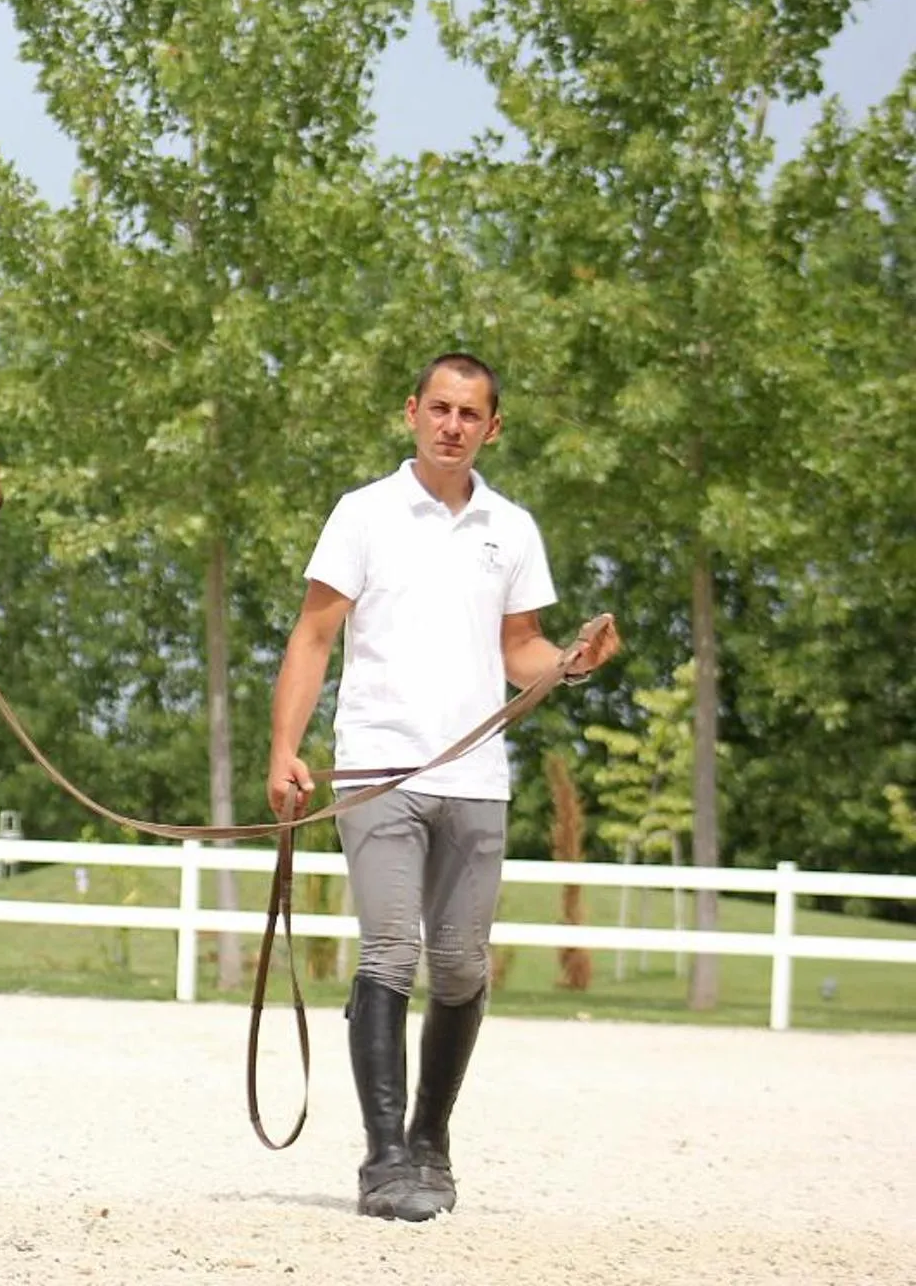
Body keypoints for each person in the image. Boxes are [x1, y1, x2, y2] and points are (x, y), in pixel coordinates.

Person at [264, 353, 619, 1222]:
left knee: (460, 964)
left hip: (475, 777)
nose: (453, 424)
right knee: (390, 951)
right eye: (440, 408)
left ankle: (432, 1140)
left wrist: (569, 666)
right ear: (411, 412)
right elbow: (313, 638)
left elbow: (519, 651)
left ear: (492, 428)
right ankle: (384, 1159)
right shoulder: (364, 515)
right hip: (379, 766)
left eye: (471, 414)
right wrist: (284, 750)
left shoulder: (512, 527)